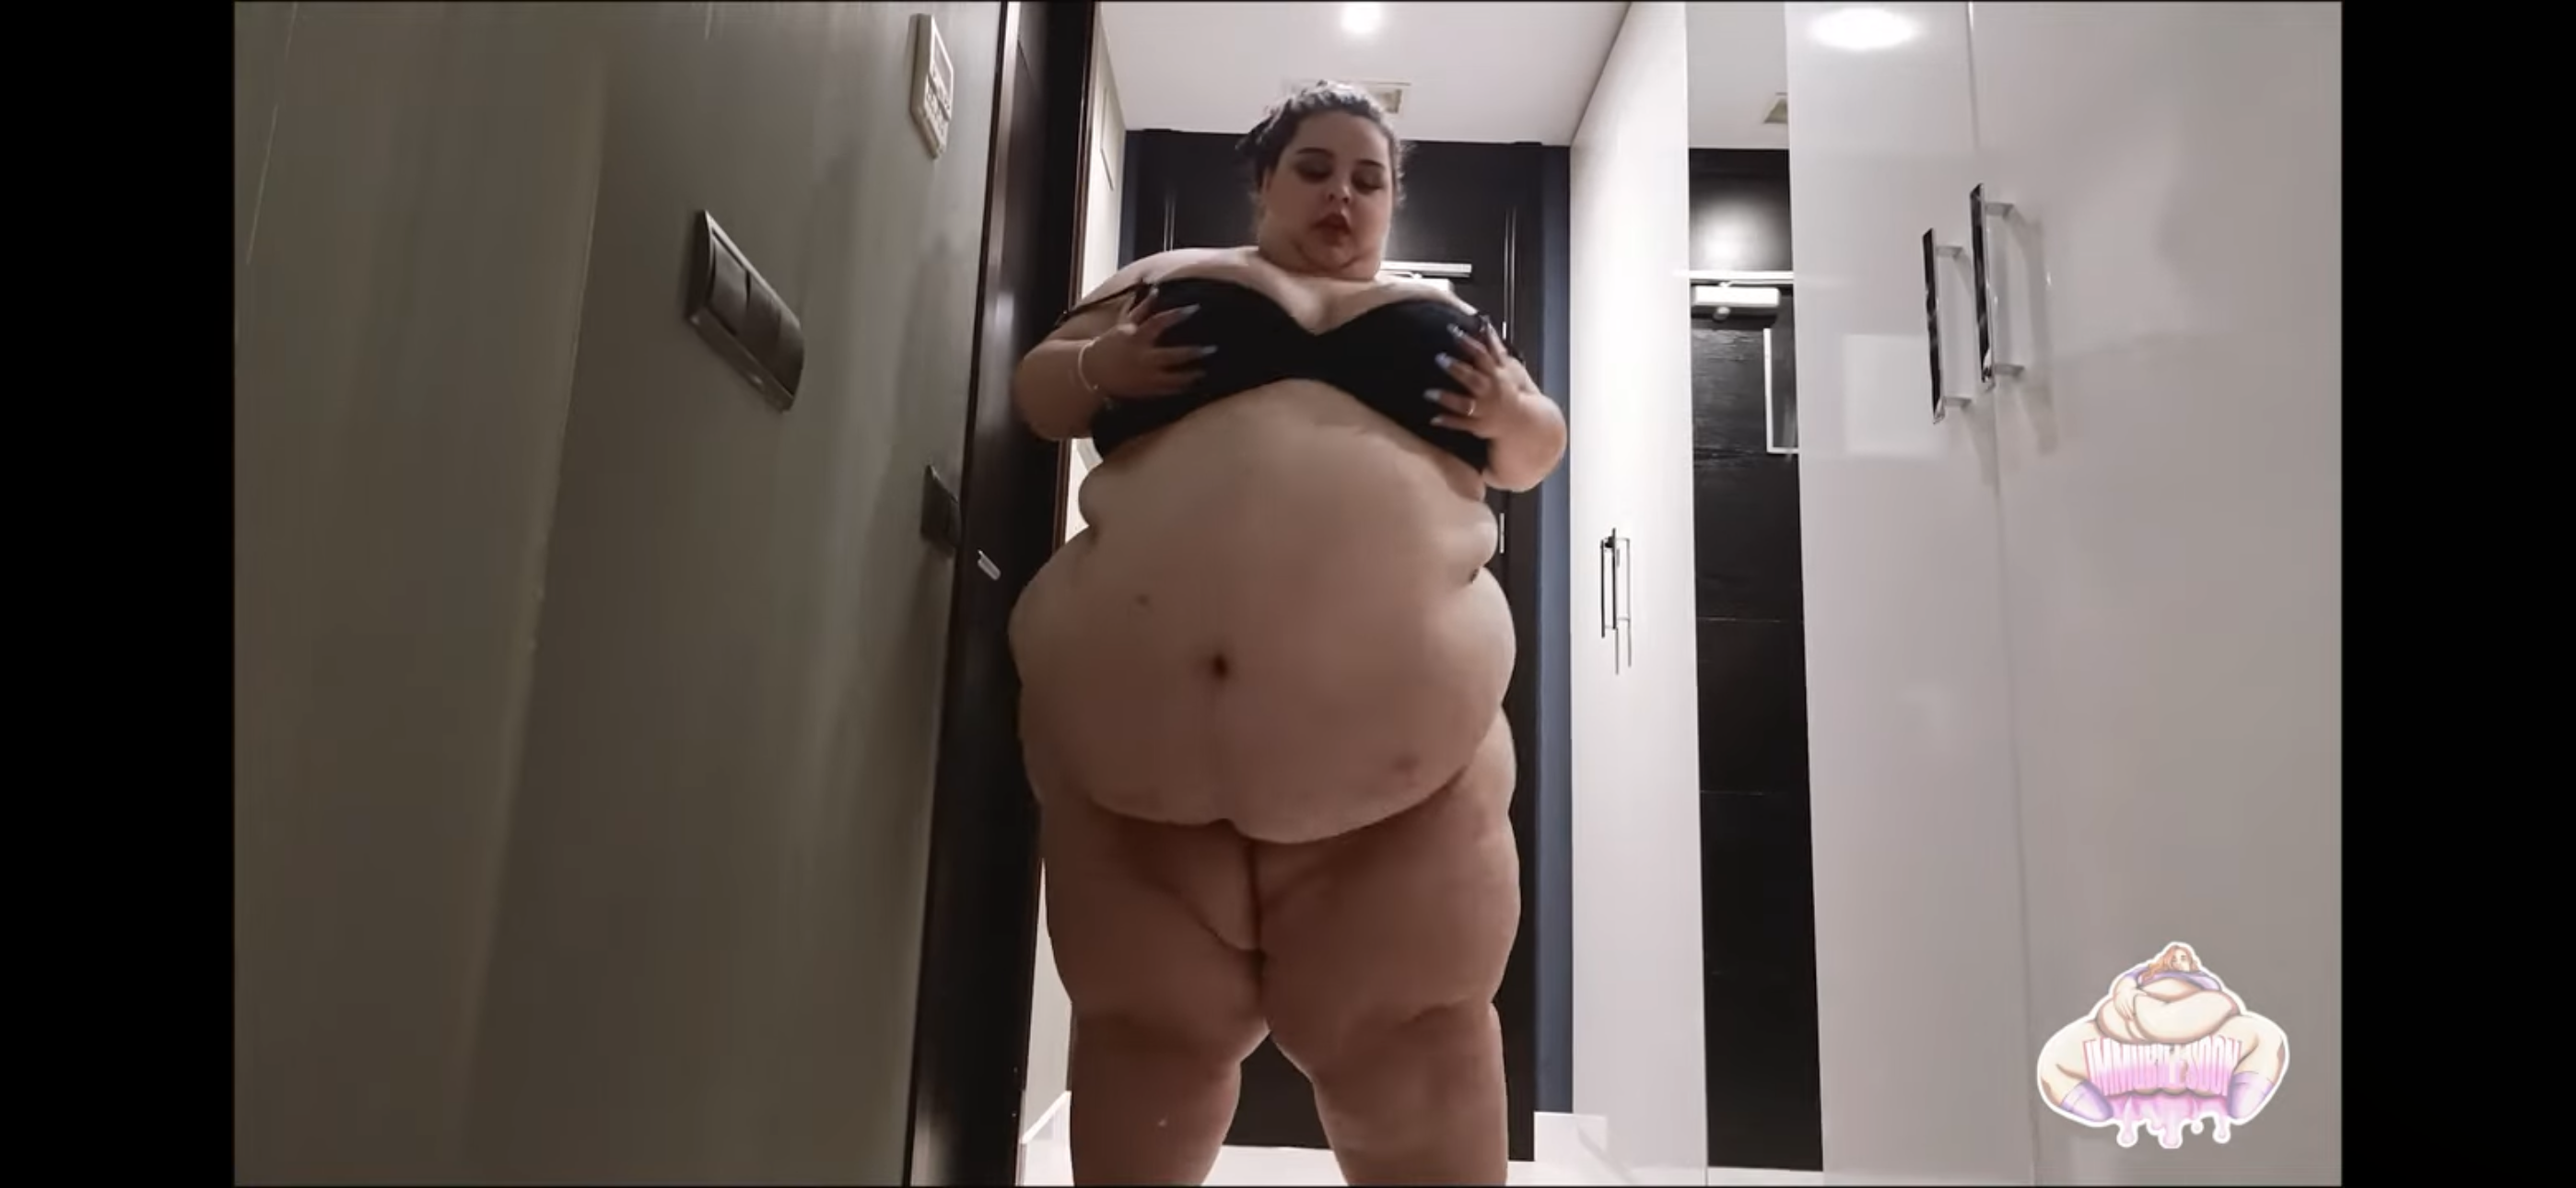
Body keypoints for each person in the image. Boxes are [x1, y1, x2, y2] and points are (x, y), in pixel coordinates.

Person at [1006, 81, 1567, 1185]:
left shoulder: (1447, 320)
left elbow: (1533, 451)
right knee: (1145, 1049)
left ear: (1393, 201)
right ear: (1264, 182)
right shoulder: (1162, 280)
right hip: (1135, 776)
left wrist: (1515, 415)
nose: (1340, 195)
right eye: (1313, 169)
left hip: (1404, 793)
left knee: (1413, 1055)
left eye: (1368, 179)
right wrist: (1101, 370)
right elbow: (1041, 394)